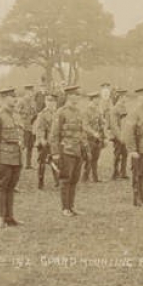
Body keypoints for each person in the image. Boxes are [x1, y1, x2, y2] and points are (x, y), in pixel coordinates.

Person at [0, 88, 23, 228]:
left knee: (11, 187)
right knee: (2, 187)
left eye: (15, 97)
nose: (15, 99)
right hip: (4, 156)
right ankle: (0, 217)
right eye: (12, 97)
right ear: (4, 98)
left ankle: (9, 217)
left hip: (17, 156)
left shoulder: (15, 115)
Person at [50, 85, 88, 217]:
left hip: (78, 151)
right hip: (66, 150)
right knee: (66, 180)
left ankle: (72, 206)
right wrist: (55, 153)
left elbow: (82, 131)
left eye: (78, 95)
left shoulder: (79, 112)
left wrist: (85, 148)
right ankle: (65, 208)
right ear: (69, 96)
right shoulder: (61, 112)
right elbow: (54, 134)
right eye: (75, 95)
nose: (77, 98)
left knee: (74, 180)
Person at [34, 93, 59, 189]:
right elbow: (39, 129)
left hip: (55, 143)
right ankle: (40, 182)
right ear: (45, 102)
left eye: (52, 102)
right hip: (45, 142)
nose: (50, 104)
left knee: (55, 161)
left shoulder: (57, 113)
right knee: (42, 162)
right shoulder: (42, 114)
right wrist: (42, 140)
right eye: (48, 101)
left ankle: (57, 181)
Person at [81, 92, 105, 183]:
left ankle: (95, 178)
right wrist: (93, 133)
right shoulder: (86, 111)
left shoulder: (98, 110)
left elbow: (100, 123)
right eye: (97, 99)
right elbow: (85, 126)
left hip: (97, 138)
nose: (98, 100)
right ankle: (85, 177)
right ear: (92, 99)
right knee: (88, 158)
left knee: (96, 157)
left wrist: (103, 123)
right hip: (88, 138)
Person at [109, 89, 129, 180]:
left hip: (124, 134)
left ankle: (123, 172)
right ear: (120, 97)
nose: (126, 98)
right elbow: (114, 125)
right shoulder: (115, 109)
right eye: (125, 97)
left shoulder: (124, 107)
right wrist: (119, 136)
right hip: (118, 136)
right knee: (117, 154)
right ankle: (115, 172)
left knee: (125, 154)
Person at [16, 85, 38, 169]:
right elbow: (16, 113)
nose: (31, 93)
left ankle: (28, 164)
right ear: (26, 92)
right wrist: (21, 122)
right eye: (29, 92)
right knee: (22, 146)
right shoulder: (21, 101)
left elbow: (35, 113)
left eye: (32, 92)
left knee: (30, 146)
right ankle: (18, 163)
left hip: (31, 127)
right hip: (23, 126)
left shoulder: (33, 102)